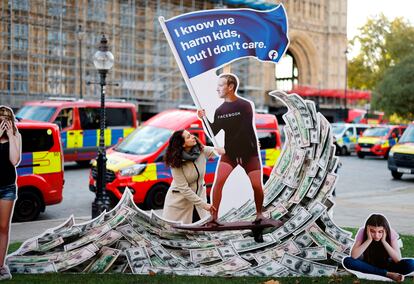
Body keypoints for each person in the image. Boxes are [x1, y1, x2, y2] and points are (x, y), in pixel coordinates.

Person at [197, 73, 264, 224]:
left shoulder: (245, 105)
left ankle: (259, 214)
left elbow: (244, 129)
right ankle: (214, 218)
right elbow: (213, 131)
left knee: (256, 185)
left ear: (230, 87)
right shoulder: (220, 110)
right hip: (230, 155)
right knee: (218, 182)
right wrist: (204, 119)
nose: (217, 89)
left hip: (249, 153)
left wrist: (228, 148)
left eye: (220, 85)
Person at [162, 130, 224, 224]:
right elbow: (184, 188)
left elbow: (218, 151)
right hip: (179, 203)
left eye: (190, 134)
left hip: (199, 202)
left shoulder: (201, 150)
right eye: (188, 137)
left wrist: (225, 150)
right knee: (179, 235)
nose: (193, 137)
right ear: (183, 144)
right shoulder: (175, 161)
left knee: (201, 230)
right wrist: (204, 205)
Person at [343, 214, 414, 282]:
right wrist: (369, 239)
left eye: (380, 232)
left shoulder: (390, 232)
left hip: (388, 265)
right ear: (368, 229)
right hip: (368, 264)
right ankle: (387, 274)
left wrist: (384, 241)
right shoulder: (363, 231)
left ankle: (380, 272)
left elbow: (398, 259)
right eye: (372, 231)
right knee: (348, 261)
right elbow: (354, 256)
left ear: (385, 230)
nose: (377, 235)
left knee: (411, 263)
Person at [0, 106, 21, 281]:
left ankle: (1, 265)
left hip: (7, 187)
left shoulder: (16, 136)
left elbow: (14, 160)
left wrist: (11, 137)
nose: (3, 123)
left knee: (3, 227)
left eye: (6, 119)